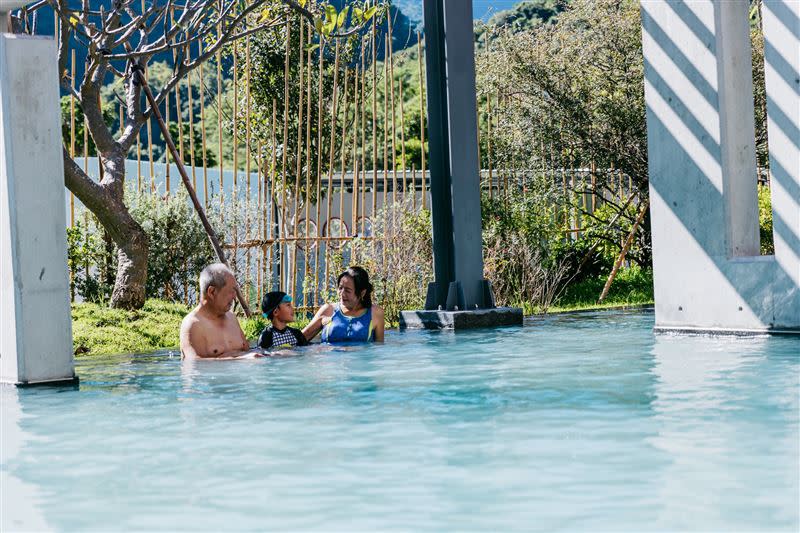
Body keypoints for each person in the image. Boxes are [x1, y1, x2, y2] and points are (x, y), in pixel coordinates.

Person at [180, 263, 258, 360]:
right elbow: (194, 363)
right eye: (231, 291)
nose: (234, 297)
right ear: (212, 292)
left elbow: (248, 352)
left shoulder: (232, 318)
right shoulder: (193, 324)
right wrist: (240, 358)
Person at [303, 266, 385, 343]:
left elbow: (378, 349)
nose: (342, 293)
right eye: (340, 288)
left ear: (362, 293)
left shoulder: (376, 313)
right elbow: (299, 339)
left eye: (348, 290)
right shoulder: (328, 310)